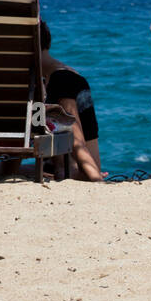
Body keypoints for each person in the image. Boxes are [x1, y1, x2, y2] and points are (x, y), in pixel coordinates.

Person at [40, 20, 104, 181]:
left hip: (76, 169)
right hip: (76, 165)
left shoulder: (61, 79)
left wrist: (95, 178)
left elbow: (76, 139)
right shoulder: (60, 75)